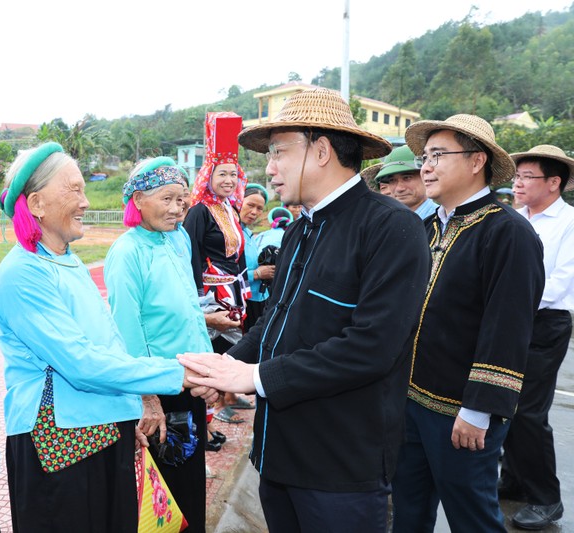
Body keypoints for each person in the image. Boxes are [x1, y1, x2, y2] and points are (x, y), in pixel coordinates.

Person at [179, 87, 430, 533]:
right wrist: (225, 367)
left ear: (321, 151)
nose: (269, 168)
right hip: (278, 455)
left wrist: (253, 378)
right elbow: (274, 324)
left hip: (340, 467)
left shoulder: (391, 229)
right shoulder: (298, 232)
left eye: (278, 152)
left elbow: (371, 347)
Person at [0, 143, 199, 532]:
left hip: (100, 431)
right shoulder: (24, 272)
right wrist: (180, 373)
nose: (86, 202)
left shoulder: (66, 260)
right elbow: (81, 363)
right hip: (59, 443)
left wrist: (125, 410)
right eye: (74, 190)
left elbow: (108, 342)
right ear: (36, 203)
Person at [390, 114, 545, 532]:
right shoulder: (427, 225)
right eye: (425, 156)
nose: (425, 166)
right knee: (407, 508)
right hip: (410, 399)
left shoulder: (507, 231)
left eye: (438, 155)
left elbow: (508, 327)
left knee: (471, 516)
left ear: (477, 161)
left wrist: (478, 410)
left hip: (461, 412)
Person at [104, 157, 213, 532]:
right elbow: (127, 329)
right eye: (166, 199)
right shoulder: (127, 252)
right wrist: (147, 396)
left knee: (191, 485)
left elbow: (188, 309)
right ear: (137, 200)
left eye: (181, 199)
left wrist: (209, 370)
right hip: (159, 391)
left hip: (190, 381)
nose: (176, 208)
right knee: (166, 495)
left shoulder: (178, 238)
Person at [498, 144, 574, 530]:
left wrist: (507, 300)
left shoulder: (569, 223)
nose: (518, 183)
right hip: (512, 320)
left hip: (545, 323)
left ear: (554, 182)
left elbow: (558, 284)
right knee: (505, 403)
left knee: (528, 412)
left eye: (527, 176)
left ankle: (547, 499)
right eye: (517, 176)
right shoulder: (516, 217)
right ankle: (513, 480)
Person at [183, 111, 247, 424]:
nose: (228, 181)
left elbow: (238, 251)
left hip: (231, 287)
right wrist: (197, 292)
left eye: (233, 175)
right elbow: (192, 252)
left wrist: (243, 284)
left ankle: (225, 397)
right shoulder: (199, 211)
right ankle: (213, 410)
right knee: (212, 345)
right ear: (209, 176)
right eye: (222, 174)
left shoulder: (229, 209)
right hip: (208, 291)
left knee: (227, 344)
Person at [361, 144, 438, 218]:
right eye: (392, 180)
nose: (399, 188)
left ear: (425, 176)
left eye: (407, 178)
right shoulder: (384, 221)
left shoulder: (442, 221)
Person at [240, 183, 275, 330]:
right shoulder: (231, 234)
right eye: (250, 205)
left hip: (259, 298)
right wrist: (256, 274)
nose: (254, 212)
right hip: (243, 300)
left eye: (259, 208)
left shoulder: (248, 233)